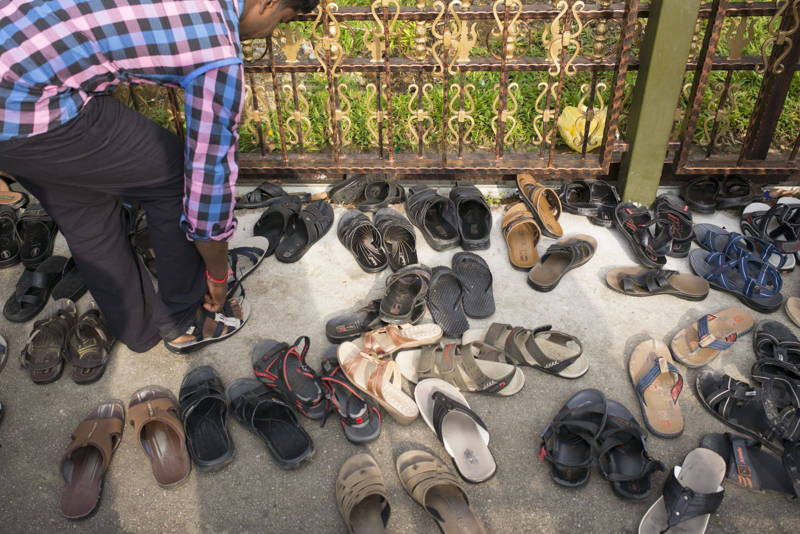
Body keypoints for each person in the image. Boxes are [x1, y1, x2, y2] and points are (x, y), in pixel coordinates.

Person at [0, 0, 318, 353]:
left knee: (82, 206)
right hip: (32, 103)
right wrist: (216, 274)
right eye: (280, 20)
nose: (270, 32)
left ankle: (137, 330)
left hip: (14, 97)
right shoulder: (217, 46)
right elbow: (206, 180)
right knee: (174, 176)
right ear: (269, 3)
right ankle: (183, 318)